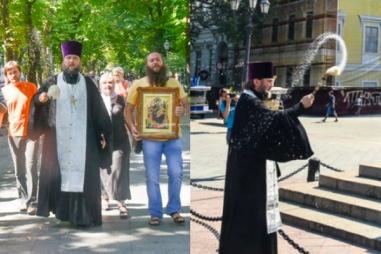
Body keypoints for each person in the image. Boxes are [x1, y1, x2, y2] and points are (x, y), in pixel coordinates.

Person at [219, 62, 315, 254]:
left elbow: (268, 125)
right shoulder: (249, 101)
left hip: (253, 169)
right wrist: (300, 107)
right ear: (256, 81)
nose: (271, 85)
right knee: (252, 218)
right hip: (249, 175)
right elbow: (274, 120)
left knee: (259, 217)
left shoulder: (252, 99)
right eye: (268, 81)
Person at [30, 40, 112, 227]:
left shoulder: (88, 84)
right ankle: (63, 213)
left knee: (85, 177)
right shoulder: (52, 81)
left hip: (84, 140)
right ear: (63, 60)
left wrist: (104, 134)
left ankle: (83, 216)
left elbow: (99, 110)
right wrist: (40, 99)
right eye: (68, 58)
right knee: (60, 175)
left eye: (75, 58)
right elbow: (37, 100)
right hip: (58, 140)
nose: (72, 62)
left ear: (79, 61)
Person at [125, 52, 188, 226]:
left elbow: (185, 106)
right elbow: (127, 110)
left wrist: (181, 111)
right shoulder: (139, 84)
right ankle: (155, 212)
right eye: (151, 60)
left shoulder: (174, 83)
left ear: (163, 62)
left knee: (176, 173)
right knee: (152, 176)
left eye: (158, 59)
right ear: (147, 64)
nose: (155, 62)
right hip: (150, 139)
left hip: (173, 137)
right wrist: (133, 128)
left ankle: (174, 209)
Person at [0, 61, 39, 215]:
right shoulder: (4, 91)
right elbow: (3, 112)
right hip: (14, 132)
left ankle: (32, 201)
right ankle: (23, 199)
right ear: (6, 76)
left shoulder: (31, 87)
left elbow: (39, 107)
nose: (13, 75)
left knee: (31, 166)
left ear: (20, 72)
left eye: (15, 71)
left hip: (31, 133)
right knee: (19, 169)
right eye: (10, 73)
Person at [99, 72, 131, 219]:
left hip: (120, 141)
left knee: (119, 170)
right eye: (105, 83)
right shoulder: (96, 100)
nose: (108, 85)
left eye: (110, 82)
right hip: (101, 142)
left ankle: (121, 202)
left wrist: (136, 133)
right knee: (103, 171)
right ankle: (104, 198)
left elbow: (129, 118)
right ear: (100, 85)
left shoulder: (121, 100)